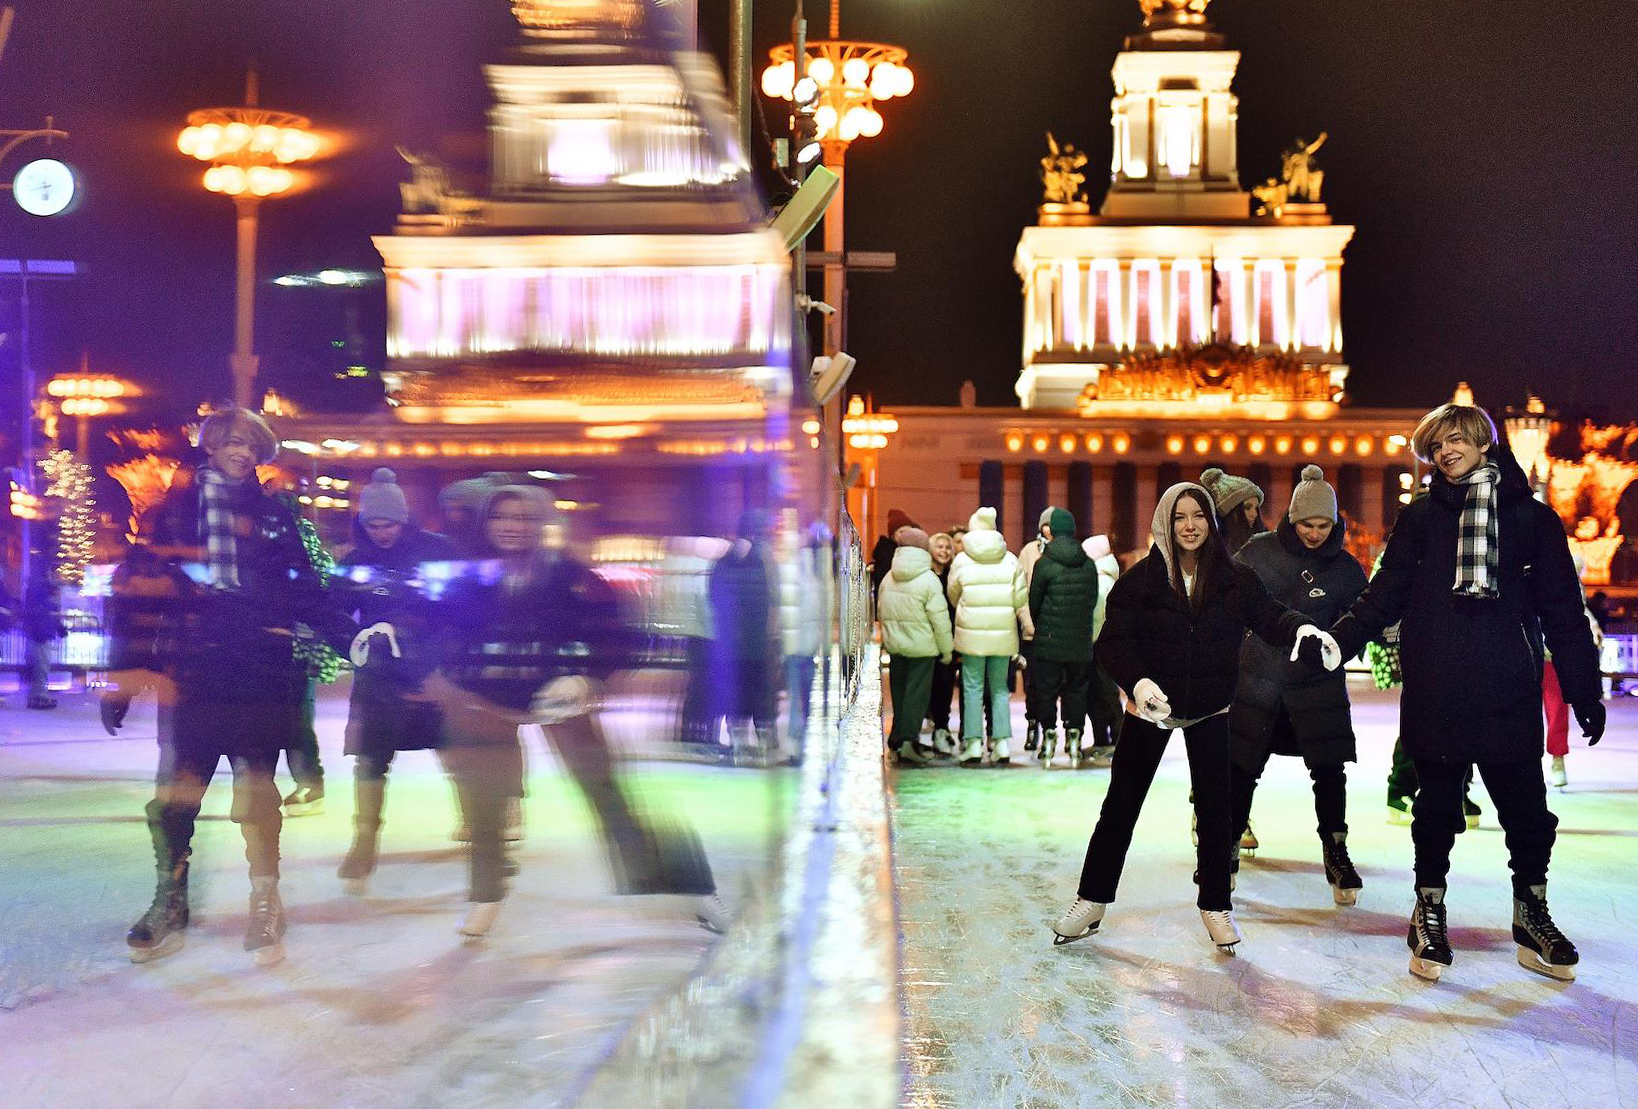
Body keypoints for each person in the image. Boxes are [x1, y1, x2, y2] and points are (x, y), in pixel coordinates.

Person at [1326, 403, 1604, 983]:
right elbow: (1386, 594)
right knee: (1435, 809)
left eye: (1456, 440)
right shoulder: (1423, 518)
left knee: (1527, 811)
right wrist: (1339, 643)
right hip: (1439, 683)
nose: (1445, 451)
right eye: (1436, 445)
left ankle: (1531, 912)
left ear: (1483, 444)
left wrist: (1582, 691)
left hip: (1508, 684)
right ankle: (1428, 908)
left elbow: (1563, 612)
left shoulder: (1533, 520)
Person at [408, 486, 724, 938]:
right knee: (483, 804)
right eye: (503, 518)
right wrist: (442, 678)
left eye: (524, 518)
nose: (513, 527)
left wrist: (587, 678)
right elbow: (437, 632)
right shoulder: (470, 576)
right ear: (488, 524)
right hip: (485, 702)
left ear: (541, 525)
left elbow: (618, 635)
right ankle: (485, 893)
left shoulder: (568, 575)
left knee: (608, 794)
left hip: (558, 700)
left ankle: (688, 888)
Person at [104, 407, 359, 966]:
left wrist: (350, 637)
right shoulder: (172, 513)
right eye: (233, 442)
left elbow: (308, 591)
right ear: (212, 444)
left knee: (257, 793)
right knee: (177, 795)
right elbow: (138, 591)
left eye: (252, 445)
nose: (243, 452)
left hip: (260, 669)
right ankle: (170, 898)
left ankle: (266, 897)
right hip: (194, 670)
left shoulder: (276, 517)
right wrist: (121, 675)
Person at [1052, 482, 1333, 954]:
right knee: (1120, 808)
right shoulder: (1141, 580)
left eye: (1198, 516)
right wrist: (1138, 682)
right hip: (1150, 711)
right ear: (1166, 521)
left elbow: (1268, 615)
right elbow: (1113, 643)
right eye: (1180, 517)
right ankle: (1092, 899)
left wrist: (1302, 628)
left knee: (1216, 813)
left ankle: (1215, 904)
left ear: (1210, 521)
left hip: (1211, 709)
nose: (1189, 526)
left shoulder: (1234, 578)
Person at [1227, 466, 1369, 905]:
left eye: (1323, 525)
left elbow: (1360, 619)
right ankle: (1225, 844)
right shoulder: (1258, 553)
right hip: (1258, 683)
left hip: (1317, 685)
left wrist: (1341, 647)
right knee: (1242, 768)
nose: (1314, 533)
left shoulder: (1344, 567)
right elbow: (1230, 605)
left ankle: (1336, 848)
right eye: (1307, 524)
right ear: (1292, 519)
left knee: (1329, 769)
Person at [330, 468, 457, 894]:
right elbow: (331, 612)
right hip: (379, 675)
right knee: (371, 759)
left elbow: (458, 612)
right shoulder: (355, 562)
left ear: (404, 519)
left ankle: (479, 828)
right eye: (373, 524)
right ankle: (365, 839)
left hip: (430, 670)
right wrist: (353, 643)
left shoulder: (436, 553)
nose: (381, 532)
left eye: (389, 523)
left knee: (455, 752)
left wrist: (441, 660)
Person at [946, 507, 1032, 767]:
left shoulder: (961, 560)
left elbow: (953, 594)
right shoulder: (1010, 559)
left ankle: (972, 745)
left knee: (971, 688)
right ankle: (1002, 744)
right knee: (999, 688)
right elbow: (1019, 599)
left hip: (970, 634)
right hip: (1002, 635)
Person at [1028, 508, 1098, 768]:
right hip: (1080, 641)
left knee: (1046, 690)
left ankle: (1048, 736)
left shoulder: (1043, 563)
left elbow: (1034, 602)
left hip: (1049, 640)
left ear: (1052, 530)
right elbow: (1091, 601)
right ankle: (1074, 737)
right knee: (1077, 689)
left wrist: (1042, 627)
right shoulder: (1088, 564)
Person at [878, 528, 954, 765]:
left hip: (896, 647)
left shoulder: (889, 577)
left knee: (899, 695)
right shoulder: (928, 579)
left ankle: (897, 739)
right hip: (922, 649)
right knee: (916, 696)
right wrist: (947, 650)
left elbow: (881, 611)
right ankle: (909, 742)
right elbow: (940, 620)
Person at [708, 510, 779, 763]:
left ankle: (737, 738)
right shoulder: (765, 562)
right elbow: (774, 600)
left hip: (730, 643)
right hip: (758, 642)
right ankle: (763, 741)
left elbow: (713, 597)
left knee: (736, 689)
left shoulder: (722, 561)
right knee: (760, 690)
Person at [777, 524, 825, 758]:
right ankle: (798, 744)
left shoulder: (794, 571)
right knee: (801, 698)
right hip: (802, 647)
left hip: (796, 646)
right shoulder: (812, 573)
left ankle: (797, 744)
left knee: (799, 697)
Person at [1080, 534, 1123, 767]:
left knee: (1104, 693)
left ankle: (1115, 738)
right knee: (1102, 692)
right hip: (1106, 646)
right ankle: (1104, 738)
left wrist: (1089, 641)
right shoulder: (1105, 578)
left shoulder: (1099, 581)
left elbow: (1097, 618)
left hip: (1099, 646)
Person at [1019, 507, 1055, 752]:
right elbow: (1021, 590)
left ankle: (1050, 731)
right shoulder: (1029, 551)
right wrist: (1027, 623)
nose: (1049, 529)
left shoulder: (1068, 552)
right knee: (1032, 683)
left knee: (1052, 684)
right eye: (1046, 524)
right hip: (1032, 630)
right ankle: (1033, 727)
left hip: (1055, 631)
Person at [925, 531, 959, 755]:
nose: (944, 551)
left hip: (950, 639)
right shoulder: (925, 576)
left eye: (948, 547)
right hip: (928, 640)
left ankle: (942, 728)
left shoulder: (953, 576)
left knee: (945, 686)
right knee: (929, 686)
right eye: (940, 546)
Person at [1199, 467, 1266, 556]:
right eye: (1247, 507)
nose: (1255, 514)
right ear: (1230, 511)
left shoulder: (1263, 544)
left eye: (1256, 508)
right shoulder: (1211, 551)